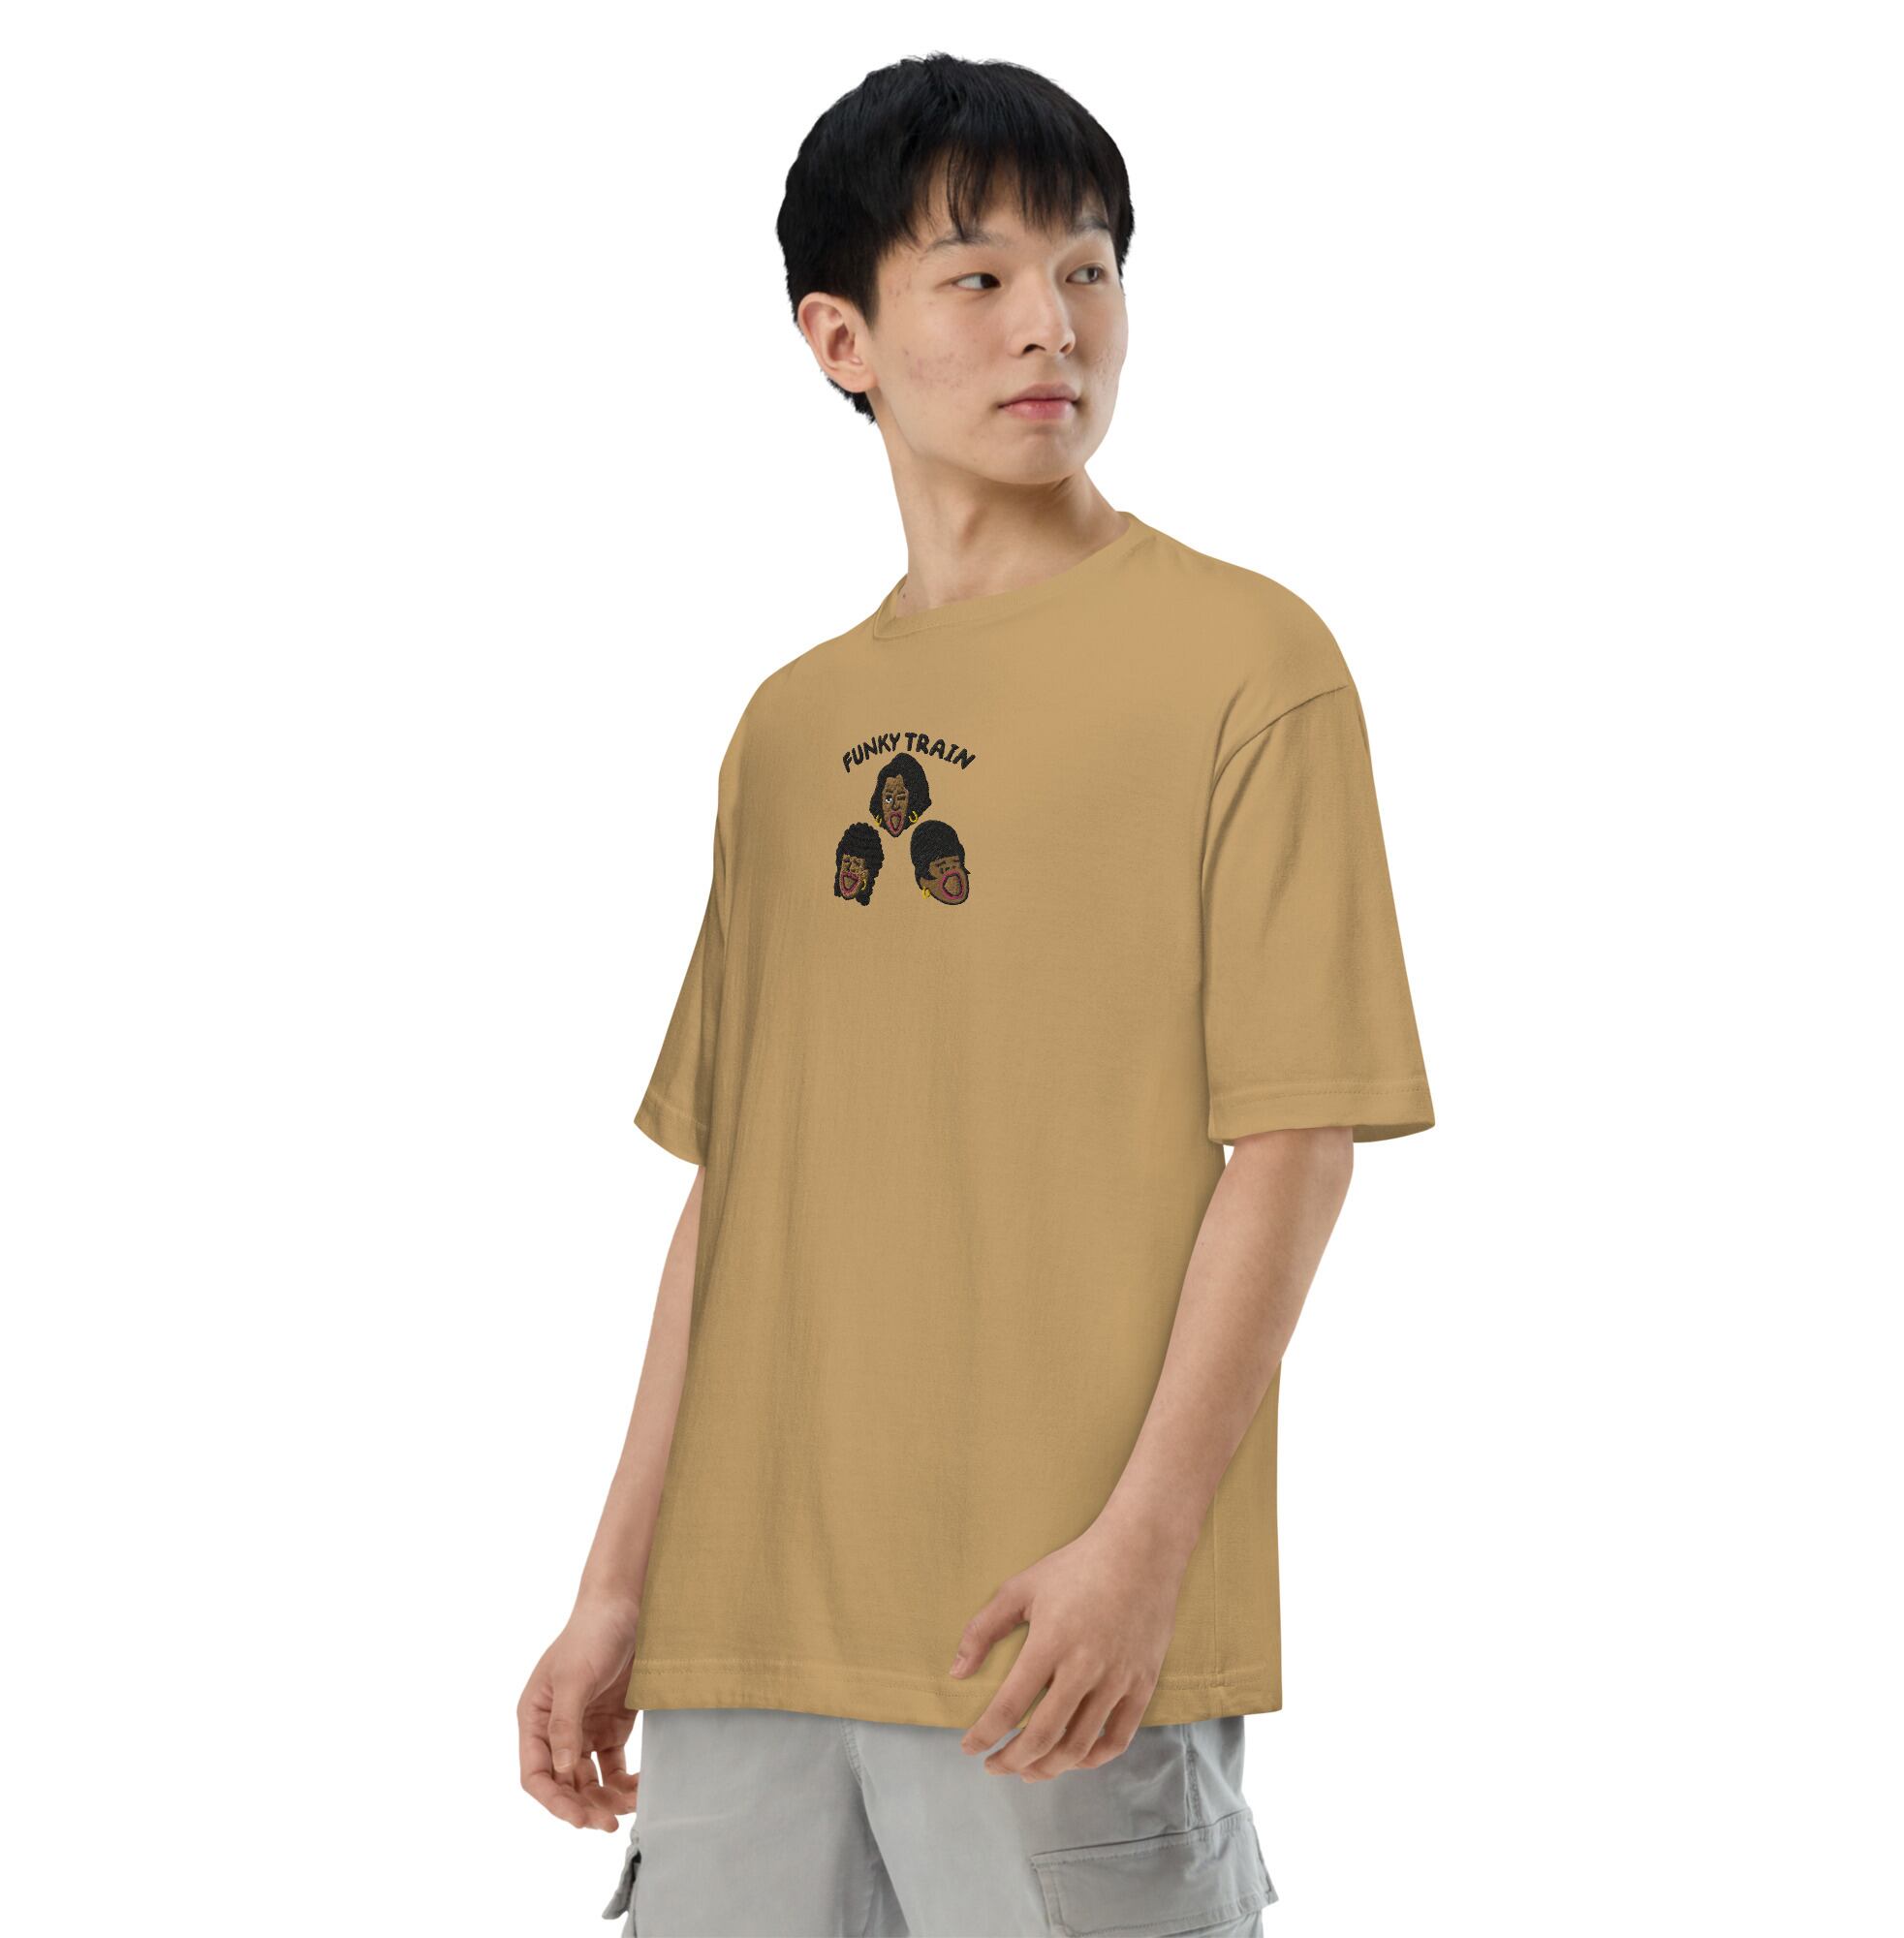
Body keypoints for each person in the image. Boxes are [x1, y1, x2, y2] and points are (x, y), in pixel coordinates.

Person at [517, 51, 1434, 1937]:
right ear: (838, 338)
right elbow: (735, 1197)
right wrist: (621, 1584)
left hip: (1049, 1629)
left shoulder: (1245, 663)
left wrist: (1144, 1549)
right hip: (749, 1643)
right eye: (982, 276)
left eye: (1089, 268)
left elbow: (1295, 1142)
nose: (1052, 325)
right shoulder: (789, 728)